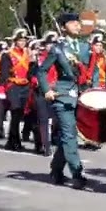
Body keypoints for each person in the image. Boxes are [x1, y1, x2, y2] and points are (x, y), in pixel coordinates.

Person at [39, 12, 89, 190]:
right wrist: (47, 90)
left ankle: (56, 168)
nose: (77, 25)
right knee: (69, 135)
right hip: (63, 95)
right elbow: (42, 71)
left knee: (68, 137)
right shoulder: (57, 49)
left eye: (78, 22)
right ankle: (77, 173)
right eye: (72, 23)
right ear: (63, 27)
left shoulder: (85, 47)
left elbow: (91, 71)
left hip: (81, 95)